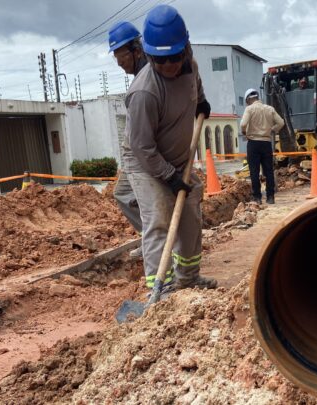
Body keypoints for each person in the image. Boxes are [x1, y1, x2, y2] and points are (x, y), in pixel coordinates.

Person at [122, 4, 217, 291]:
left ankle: (188, 279)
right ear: (149, 56)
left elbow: (194, 85)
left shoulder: (191, 65)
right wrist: (169, 178)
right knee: (159, 220)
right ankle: (159, 291)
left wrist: (200, 100)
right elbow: (142, 146)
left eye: (175, 57)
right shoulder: (144, 92)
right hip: (146, 164)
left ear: (186, 48)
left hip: (178, 160)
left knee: (189, 220)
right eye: (160, 61)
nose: (169, 66)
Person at [108, 21, 149, 257]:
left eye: (121, 58)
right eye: (116, 59)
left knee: (149, 204)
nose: (120, 64)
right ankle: (149, 236)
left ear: (136, 49)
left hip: (143, 157)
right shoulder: (139, 78)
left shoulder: (147, 80)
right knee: (123, 194)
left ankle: (156, 241)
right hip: (133, 157)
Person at [240, 88, 284, 204]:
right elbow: (281, 122)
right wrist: (272, 130)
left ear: (248, 99)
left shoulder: (249, 109)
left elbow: (243, 124)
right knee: (268, 171)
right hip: (266, 143)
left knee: (254, 172)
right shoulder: (269, 109)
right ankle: (270, 197)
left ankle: (257, 198)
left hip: (253, 143)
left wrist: (245, 132)